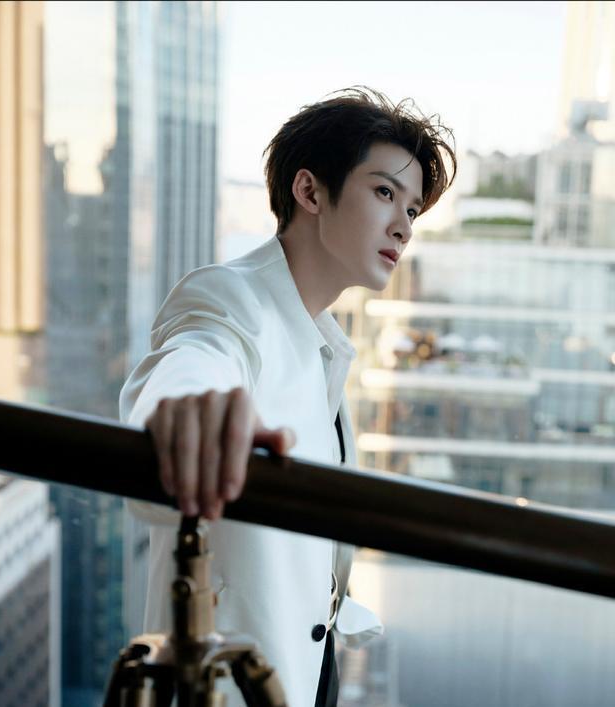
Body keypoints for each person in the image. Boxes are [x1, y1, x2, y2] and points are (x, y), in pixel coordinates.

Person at [119, 86, 456, 706]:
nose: (404, 227)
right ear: (310, 192)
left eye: (412, 209)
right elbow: (194, 359)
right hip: (228, 686)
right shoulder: (230, 298)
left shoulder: (323, 338)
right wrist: (193, 409)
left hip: (307, 672)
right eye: (385, 193)